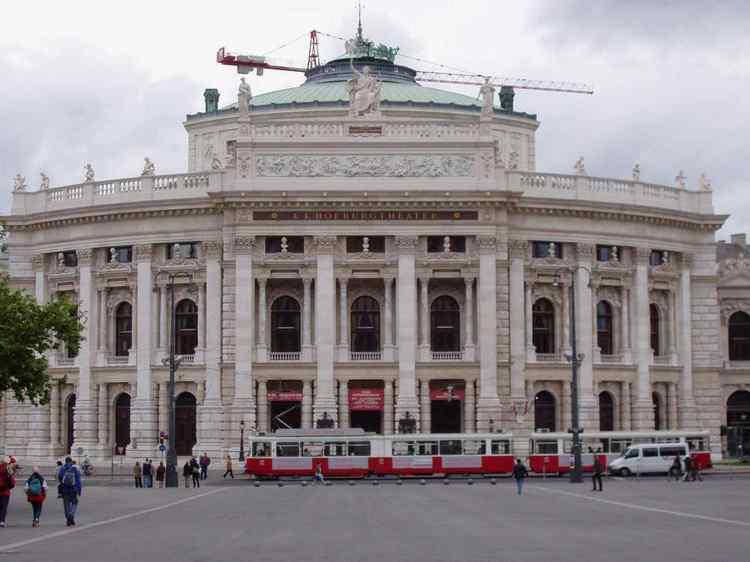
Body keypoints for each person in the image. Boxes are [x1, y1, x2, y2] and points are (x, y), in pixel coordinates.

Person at [58, 456, 82, 526]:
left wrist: (62, 483)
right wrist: (79, 490)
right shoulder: (75, 469)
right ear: (71, 462)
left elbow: (59, 477)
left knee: (66, 504)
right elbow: (78, 481)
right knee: (75, 503)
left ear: (65, 462)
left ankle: (68, 517)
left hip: (65, 489)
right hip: (73, 489)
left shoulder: (62, 468)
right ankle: (71, 515)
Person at [0, 457, 16, 527]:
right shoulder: (8, 469)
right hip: (5, 491)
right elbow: (12, 483)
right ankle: (2, 521)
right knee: (4, 507)